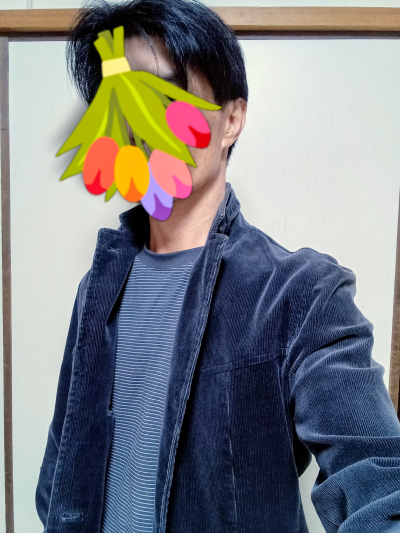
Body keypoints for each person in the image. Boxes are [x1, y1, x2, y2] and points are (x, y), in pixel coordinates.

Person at [36, 1, 400, 532]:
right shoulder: (99, 287)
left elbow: (377, 478)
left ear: (231, 119)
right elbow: (62, 468)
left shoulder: (299, 293)